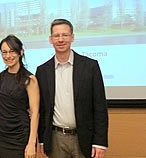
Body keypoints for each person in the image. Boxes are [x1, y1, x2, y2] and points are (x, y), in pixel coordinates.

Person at [36, 19, 108, 158]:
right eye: (56, 36)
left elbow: (100, 106)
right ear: (51, 39)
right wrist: (43, 139)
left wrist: (100, 142)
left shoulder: (90, 67)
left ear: (72, 37)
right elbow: (42, 109)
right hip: (56, 139)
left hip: (84, 138)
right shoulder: (42, 71)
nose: (61, 39)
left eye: (65, 35)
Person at [0, 34, 40, 158]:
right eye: (4, 52)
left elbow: (35, 113)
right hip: (2, 136)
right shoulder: (1, 76)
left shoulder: (30, 79)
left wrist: (31, 143)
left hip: (21, 137)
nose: (8, 56)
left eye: (12, 51)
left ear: (21, 52)